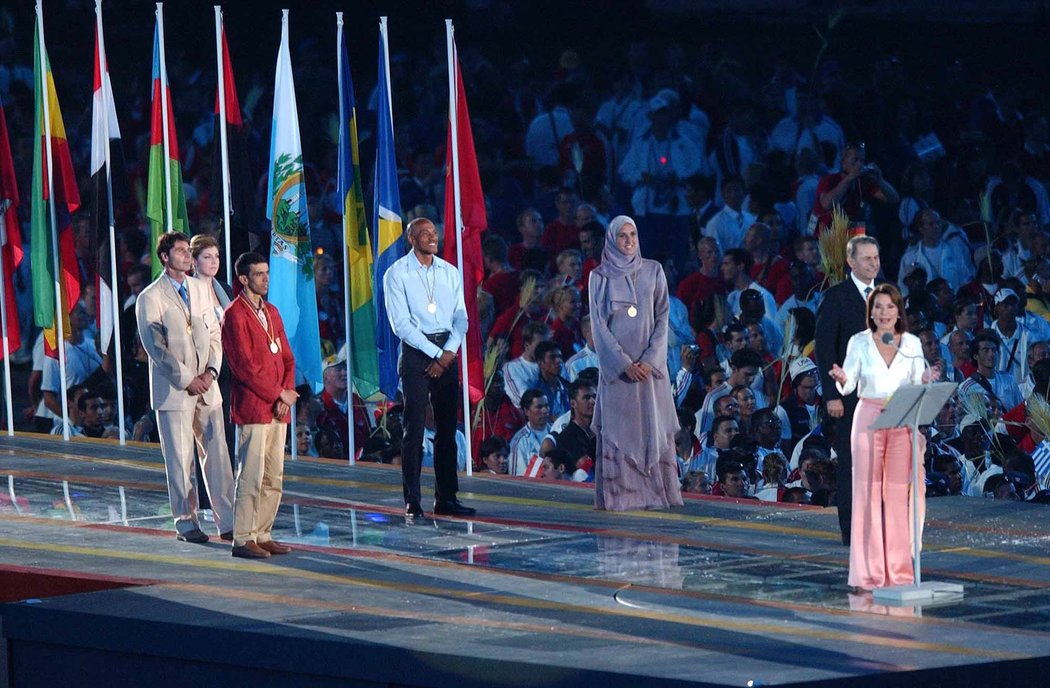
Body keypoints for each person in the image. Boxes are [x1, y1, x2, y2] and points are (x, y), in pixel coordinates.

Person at [829, 283, 940, 591]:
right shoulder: (859, 342)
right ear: (871, 312)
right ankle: (869, 573)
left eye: (889, 307)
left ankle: (899, 571)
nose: (884, 313)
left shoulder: (912, 344)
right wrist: (841, 378)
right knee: (867, 493)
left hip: (902, 416)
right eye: (878, 307)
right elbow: (849, 383)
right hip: (868, 417)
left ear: (898, 310)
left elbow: (919, 378)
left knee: (895, 494)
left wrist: (928, 379)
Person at [135, 232, 235, 544]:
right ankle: (186, 521)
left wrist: (212, 372)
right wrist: (186, 379)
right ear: (164, 257)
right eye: (179, 251)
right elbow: (156, 347)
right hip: (175, 390)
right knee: (180, 459)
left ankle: (229, 521)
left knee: (218, 452)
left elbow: (216, 334)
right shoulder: (149, 297)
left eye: (186, 250)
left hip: (208, 384)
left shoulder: (201, 289)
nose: (186, 256)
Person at [589, 215, 683, 510]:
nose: (629, 241)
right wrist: (624, 364)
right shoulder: (599, 277)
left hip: (651, 373)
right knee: (620, 430)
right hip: (619, 376)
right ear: (612, 239)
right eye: (623, 236)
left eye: (633, 235)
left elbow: (662, 318)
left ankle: (658, 494)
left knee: (654, 428)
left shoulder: (653, 271)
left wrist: (649, 360)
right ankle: (623, 496)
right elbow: (599, 326)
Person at [383, 217, 474, 518]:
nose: (432, 238)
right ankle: (413, 500)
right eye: (424, 234)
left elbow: (461, 318)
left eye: (434, 233)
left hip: (447, 349)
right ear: (412, 239)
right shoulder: (397, 274)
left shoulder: (449, 272)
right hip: (416, 353)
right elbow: (401, 325)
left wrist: (448, 353)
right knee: (415, 429)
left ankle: (446, 498)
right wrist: (436, 354)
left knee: (448, 428)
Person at [222, 252, 298, 559]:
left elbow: (288, 358)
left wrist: (288, 393)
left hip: (278, 407)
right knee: (251, 474)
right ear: (243, 279)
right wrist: (279, 395)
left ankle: (263, 533)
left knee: (273, 475)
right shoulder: (234, 315)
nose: (266, 279)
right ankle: (243, 538)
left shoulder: (273, 312)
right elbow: (245, 368)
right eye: (259, 274)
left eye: (267, 273)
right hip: (255, 407)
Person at [815, 235, 880, 546]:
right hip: (850, 395)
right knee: (852, 460)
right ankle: (851, 527)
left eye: (876, 257)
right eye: (866, 258)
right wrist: (831, 394)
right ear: (852, 262)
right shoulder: (837, 297)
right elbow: (826, 349)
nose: (873, 263)